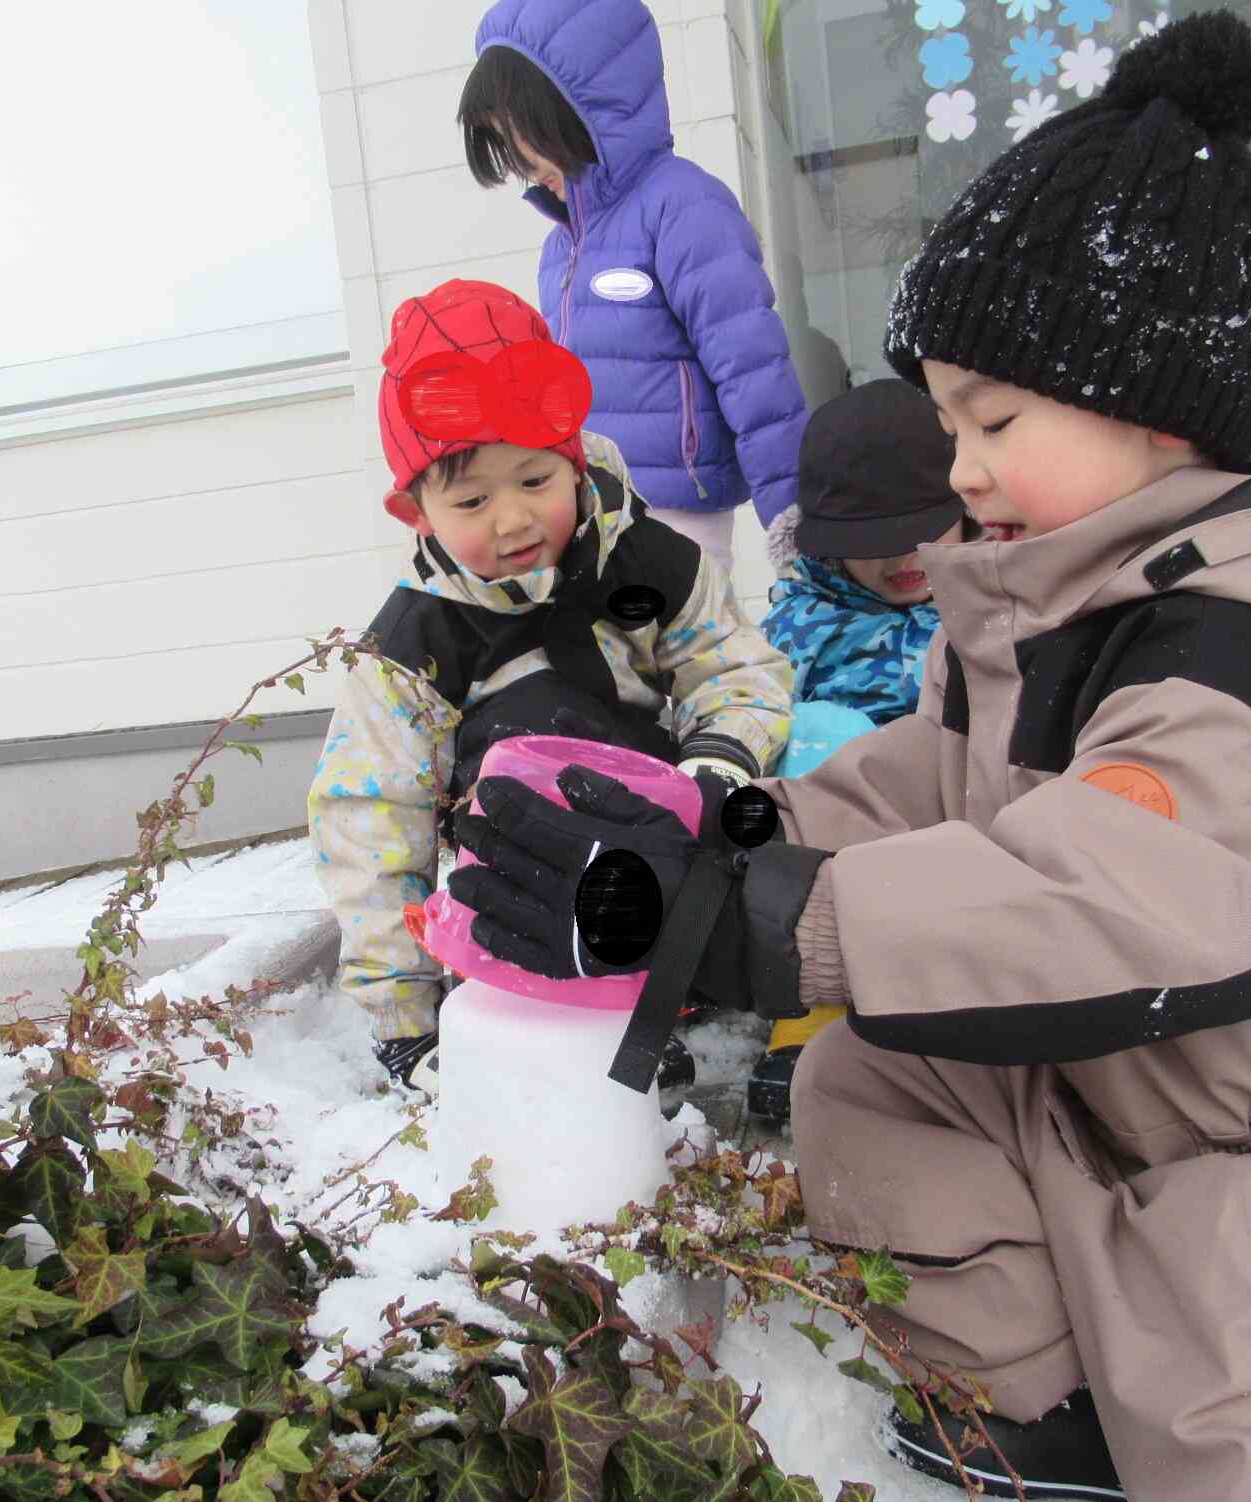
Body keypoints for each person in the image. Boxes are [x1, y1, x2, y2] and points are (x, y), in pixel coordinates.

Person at [442, 14, 1251, 1502]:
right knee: (876, 1081)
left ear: (1156, 416)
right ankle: (1044, 1410)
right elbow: (930, 784)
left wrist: (774, 929)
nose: (958, 469)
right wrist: (731, 835)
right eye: (948, 419)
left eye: (993, 422)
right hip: (1100, 1082)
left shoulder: (1238, 646)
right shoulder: (1042, 600)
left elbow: (1121, 883)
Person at [308, 278, 792, 1096]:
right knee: (535, 726)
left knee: (792, 763)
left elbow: (735, 665)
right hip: (522, 871)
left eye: (535, 481)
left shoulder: (647, 562)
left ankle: (738, 969)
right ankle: (567, 1004)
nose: (512, 520)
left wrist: (720, 754)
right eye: (471, 499)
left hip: (664, 825)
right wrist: (403, 1017)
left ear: (573, 459)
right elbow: (370, 816)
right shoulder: (413, 646)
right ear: (417, 513)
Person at [459, 0, 809, 569]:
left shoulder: (683, 206)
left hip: (677, 512)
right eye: (505, 139)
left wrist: (793, 521)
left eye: (523, 133)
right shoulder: (563, 246)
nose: (522, 163)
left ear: (580, 104)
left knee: (682, 651)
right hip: (594, 510)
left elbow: (754, 371)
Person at [745, 379, 971, 1124]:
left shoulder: (994, 601)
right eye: (875, 540)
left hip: (960, 824)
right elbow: (746, 719)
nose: (904, 556)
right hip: (842, 850)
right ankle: (814, 1008)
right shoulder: (801, 626)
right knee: (820, 735)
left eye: (923, 528)